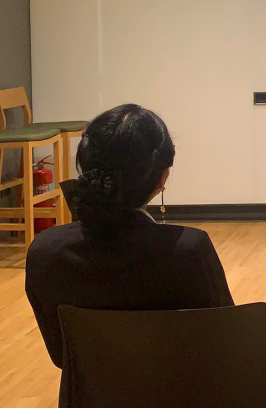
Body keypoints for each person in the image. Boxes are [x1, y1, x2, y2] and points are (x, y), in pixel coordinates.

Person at [25, 104, 233, 370]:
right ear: (161, 178)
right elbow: (226, 342)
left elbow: (61, 355)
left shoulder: (44, 251)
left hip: (91, 392)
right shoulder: (189, 249)